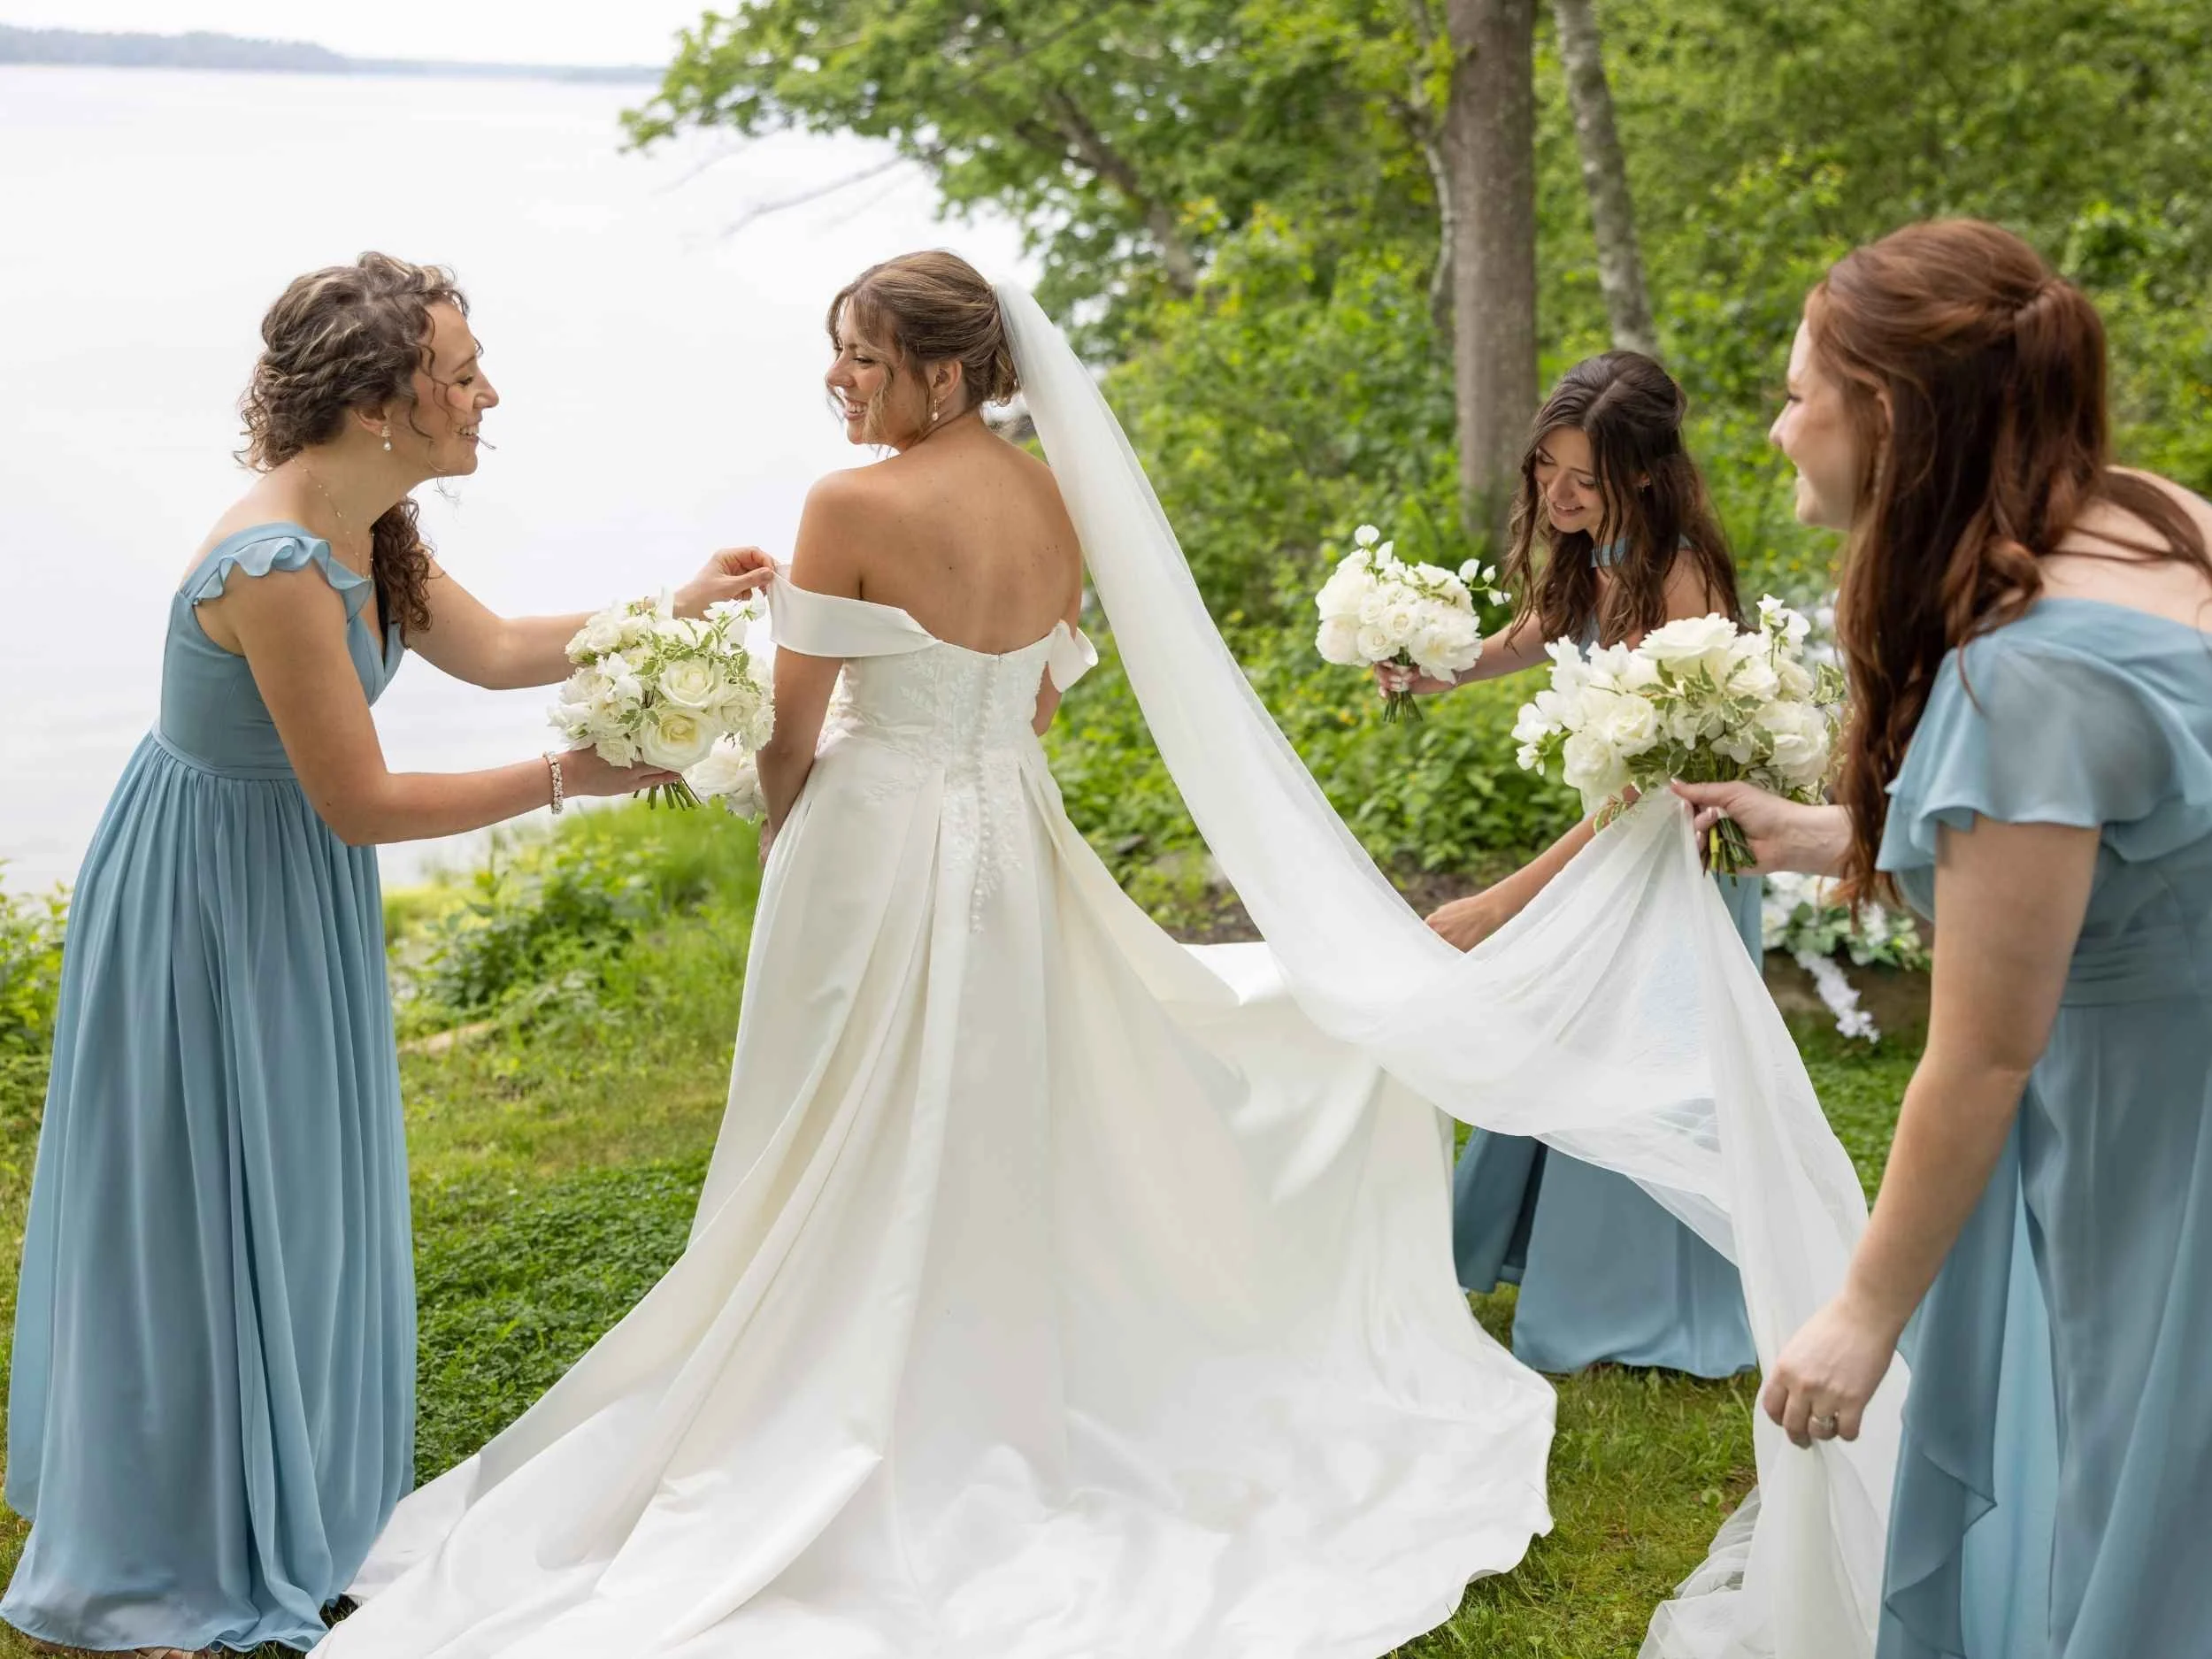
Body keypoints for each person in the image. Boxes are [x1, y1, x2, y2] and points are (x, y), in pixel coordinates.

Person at [317, 251, 1556, 1659]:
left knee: (820, 1127)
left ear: (947, 371)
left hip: (871, 835)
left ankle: (831, 1396)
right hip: (1009, 839)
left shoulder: (849, 503)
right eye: (833, 354)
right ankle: (977, 1381)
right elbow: (1035, 695)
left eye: (862, 356)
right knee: (984, 1121)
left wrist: (783, 826)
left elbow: (794, 727)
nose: (839, 380)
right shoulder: (1054, 494)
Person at [1, 252, 772, 1657]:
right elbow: (357, 799)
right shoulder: (276, 564)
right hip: (211, 893)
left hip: (288, 883)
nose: (488, 391)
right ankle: (175, 1537)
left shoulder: (375, 520)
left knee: (297, 1190)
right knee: (208, 1199)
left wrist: (676, 608)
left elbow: (487, 646)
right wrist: (566, 779)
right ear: (377, 401)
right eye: (461, 371)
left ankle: (287, 1489)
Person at [1680, 219, 2212, 1658]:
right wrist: (1827, 834)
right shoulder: (2156, 521)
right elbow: (2124, 844)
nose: (1780, 426)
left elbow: (1981, 1056)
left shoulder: (2022, 666)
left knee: (2152, 1503)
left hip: (2153, 1133)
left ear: (1892, 414)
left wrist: (1860, 1315)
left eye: (1800, 392)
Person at [1379, 352, 1758, 1378]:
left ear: (1641, 474)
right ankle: (1536, 1259)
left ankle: (1637, 1308)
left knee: (1642, 1074)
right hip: (1615, 851)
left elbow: (1654, 782)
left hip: (1675, 859)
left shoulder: (1677, 575)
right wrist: (1439, 666)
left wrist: (1502, 904)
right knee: (1573, 1050)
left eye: (1581, 477)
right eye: (1545, 468)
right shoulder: (1598, 555)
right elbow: (1537, 637)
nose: (1556, 494)